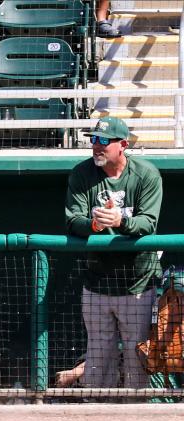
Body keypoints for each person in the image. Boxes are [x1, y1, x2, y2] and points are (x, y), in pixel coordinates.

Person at [65, 116, 162, 390]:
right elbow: (72, 220)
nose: (97, 146)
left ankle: (135, 417)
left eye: (104, 141)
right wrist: (95, 224)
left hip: (137, 283)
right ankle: (95, 414)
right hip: (97, 281)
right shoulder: (82, 173)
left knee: (136, 354)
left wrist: (121, 221)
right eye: (94, 140)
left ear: (123, 145)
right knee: (98, 355)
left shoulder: (146, 174)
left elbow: (149, 222)